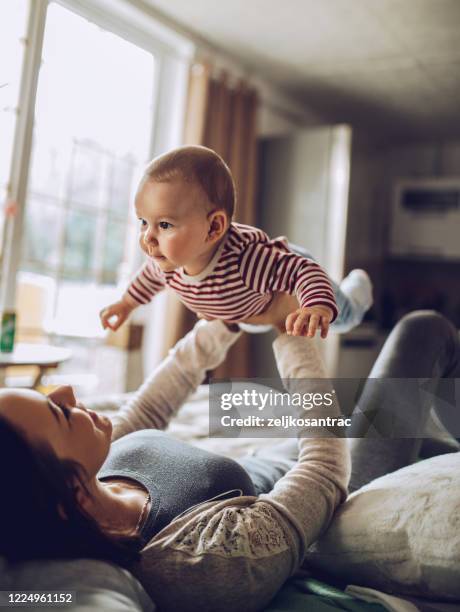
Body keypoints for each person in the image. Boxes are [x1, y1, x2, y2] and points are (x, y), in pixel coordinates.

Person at [2, 301, 458, 611]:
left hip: (281, 453)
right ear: (68, 498)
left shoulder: (93, 470)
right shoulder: (199, 563)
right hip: (339, 481)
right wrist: (292, 339)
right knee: (423, 330)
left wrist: (227, 317)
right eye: (59, 414)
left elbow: (151, 407)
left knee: (433, 438)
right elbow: (323, 472)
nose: (65, 390)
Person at [100, 145, 372, 339]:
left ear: (214, 227)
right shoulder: (164, 262)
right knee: (251, 324)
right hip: (246, 306)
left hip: (287, 268)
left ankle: (357, 288)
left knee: (344, 318)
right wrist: (126, 304)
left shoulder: (248, 261)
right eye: (143, 222)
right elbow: (147, 280)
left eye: (165, 225)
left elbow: (304, 271)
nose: (148, 237)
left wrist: (316, 305)